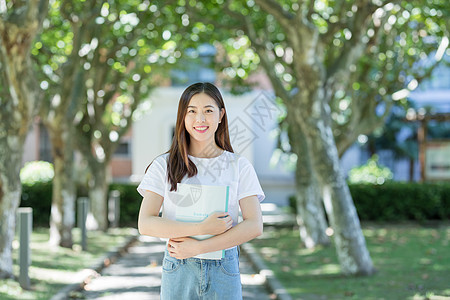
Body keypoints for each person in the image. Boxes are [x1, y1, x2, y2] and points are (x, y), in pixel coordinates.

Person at [137, 82, 265, 299]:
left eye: (208, 111)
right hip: (179, 266)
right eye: (192, 111)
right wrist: (201, 228)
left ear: (221, 115)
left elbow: (254, 225)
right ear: (183, 116)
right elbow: (145, 223)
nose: (200, 119)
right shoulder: (164, 165)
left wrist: (199, 248)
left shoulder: (238, 166)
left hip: (224, 267)